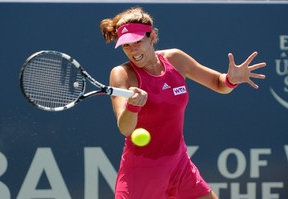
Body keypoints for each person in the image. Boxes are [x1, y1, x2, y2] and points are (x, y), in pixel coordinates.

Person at [100, 7, 266, 199]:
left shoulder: (176, 59)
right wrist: (133, 106)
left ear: (152, 37)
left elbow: (219, 84)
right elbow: (125, 127)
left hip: (180, 165)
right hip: (142, 173)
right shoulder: (121, 74)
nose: (133, 50)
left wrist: (231, 80)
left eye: (138, 41)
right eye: (126, 45)